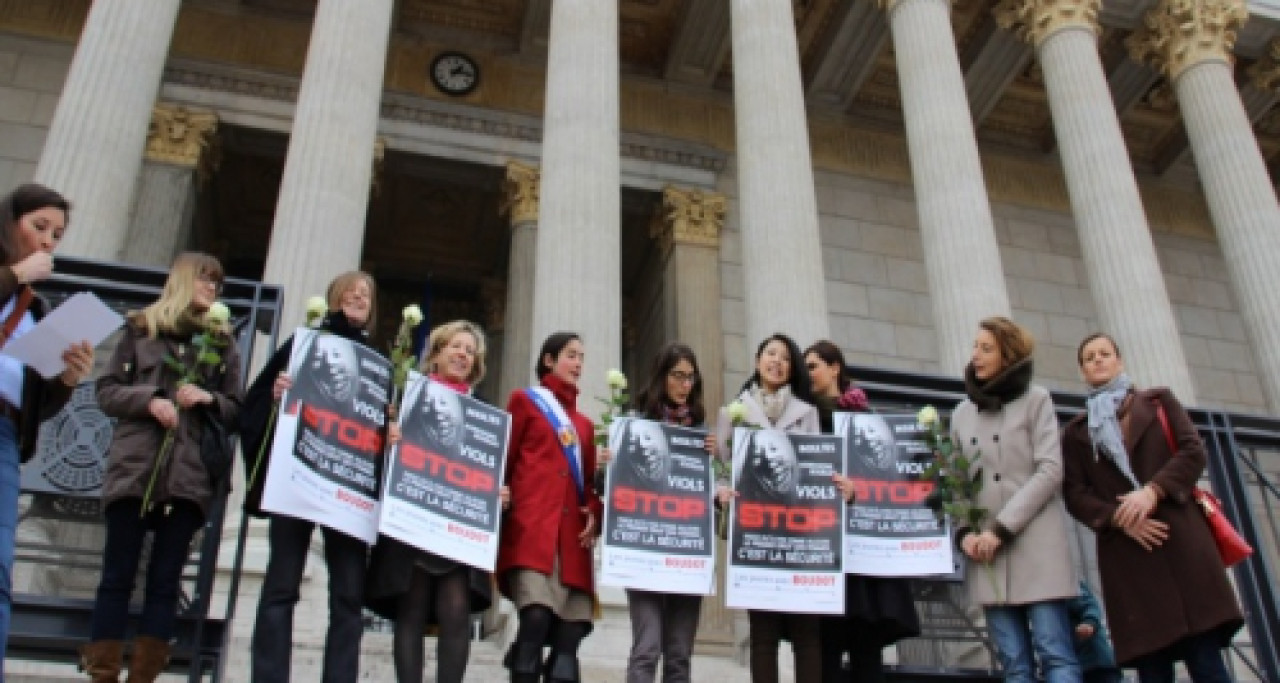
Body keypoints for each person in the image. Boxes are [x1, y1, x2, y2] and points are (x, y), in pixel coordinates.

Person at [86, 252, 242, 682]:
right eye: (205, 280)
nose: (212, 290)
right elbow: (106, 391)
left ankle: (143, 676)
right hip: (137, 465)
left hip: (189, 474)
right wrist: (150, 399)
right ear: (184, 281)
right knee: (117, 573)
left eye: (217, 284)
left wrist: (208, 399)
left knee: (165, 580)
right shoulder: (142, 329)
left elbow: (236, 408)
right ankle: (102, 671)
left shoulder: (223, 343)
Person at [1061, 333, 1243, 683]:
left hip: (1182, 546)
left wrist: (1153, 492)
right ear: (1083, 371)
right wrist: (1119, 518)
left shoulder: (1159, 403)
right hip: (1131, 558)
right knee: (1153, 670)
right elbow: (1075, 493)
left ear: (1120, 361)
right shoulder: (1076, 433)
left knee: (1206, 662)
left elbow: (1192, 452)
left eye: (1105, 353)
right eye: (1089, 357)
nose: (1098, 360)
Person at [242, 271, 380, 683]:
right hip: (298, 478)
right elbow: (253, 405)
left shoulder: (379, 364)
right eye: (351, 292)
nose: (358, 299)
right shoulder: (304, 344)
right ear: (335, 299)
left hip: (348, 488)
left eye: (366, 295)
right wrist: (276, 396)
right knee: (282, 583)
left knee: (349, 595)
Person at [365, 320, 508, 683]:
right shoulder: (408, 400)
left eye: (469, 351)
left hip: (458, 531)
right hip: (413, 522)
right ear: (438, 353)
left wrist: (499, 492)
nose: (462, 354)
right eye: (456, 347)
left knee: (456, 612)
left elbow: (488, 469)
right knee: (410, 610)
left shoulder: (483, 413)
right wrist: (390, 438)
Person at [950, 316, 1080, 683]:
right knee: (1014, 665)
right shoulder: (961, 414)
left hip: (1036, 544)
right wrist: (966, 534)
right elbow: (956, 484)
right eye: (975, 347)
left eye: (986, 348)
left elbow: (1050, 470)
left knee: (1056, 655)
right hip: (987, 557)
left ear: (1008, 355)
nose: (976, 355)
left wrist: (1002, 528)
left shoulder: (1036, 401)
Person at [0, 184, 94, 678]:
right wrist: (14, 274)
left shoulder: (33, 308)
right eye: (39, 227)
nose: (48, 242)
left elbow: (34, 400)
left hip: (6, 436)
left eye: (56, 235)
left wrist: (67, 379)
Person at [805, 340, 921, 683]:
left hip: (866, 564)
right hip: (825, 552)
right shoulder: (805, 421)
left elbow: (890, 478)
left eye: (812, 366)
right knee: (825, 651)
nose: (807, 374)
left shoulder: (866, 419)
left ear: (834, 367)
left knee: (866, 650)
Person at [714, 333, 823, 683]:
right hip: (755, 533)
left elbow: (817, 464)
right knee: (763, 634)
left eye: (785, 357)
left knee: (806, 633)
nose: (777, 361)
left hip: (798, 533)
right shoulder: (732, 413)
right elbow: (720, 468)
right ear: (757, 360)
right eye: (770, 354)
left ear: (792, 370)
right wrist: (721, 493)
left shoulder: (807, 414)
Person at [499, 332, 603, 683]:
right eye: (571, 355)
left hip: (572, 541)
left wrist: (594, 513)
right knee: (536, 616)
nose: (578, 363)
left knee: (568, 643)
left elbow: (587, 486)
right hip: (532, 531)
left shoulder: (586, 426)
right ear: (549, 360)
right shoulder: (524, 402)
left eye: (581, 357)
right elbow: (506, 460)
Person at [615, 342, 716, 683]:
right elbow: (612, 487)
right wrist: (605, 466)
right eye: (678, 376)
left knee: (679, 655)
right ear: (662, 377)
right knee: (647, 647)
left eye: (691, 378)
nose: (685, 384)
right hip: (643, 552)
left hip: (686, 555)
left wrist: (717, 469)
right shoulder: (634, 425)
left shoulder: (702, 435)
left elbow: (711, 494)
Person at [1067, 580, 1123, 683]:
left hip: (1094, 661)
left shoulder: (1065, 582)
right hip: (1080, 664)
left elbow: (1090, 606)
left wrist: (1089, 622)